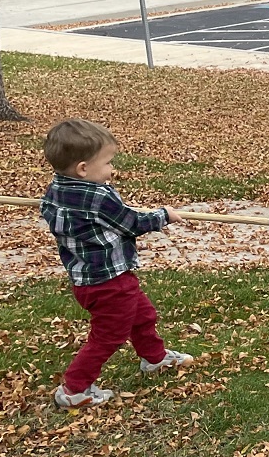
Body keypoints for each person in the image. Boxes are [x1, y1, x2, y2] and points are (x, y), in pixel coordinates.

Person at [40, 119, 194, 408]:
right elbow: (132, 223)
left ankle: (155, 358)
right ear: (83, 169)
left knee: (143, 315)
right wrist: (164, 215)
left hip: (87, 280)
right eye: (108, 163)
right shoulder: (99, 196)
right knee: (108, 336)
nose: (113, 170)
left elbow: (110, 218)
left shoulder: (56, 190)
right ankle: (75, 388)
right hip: (110, 281)